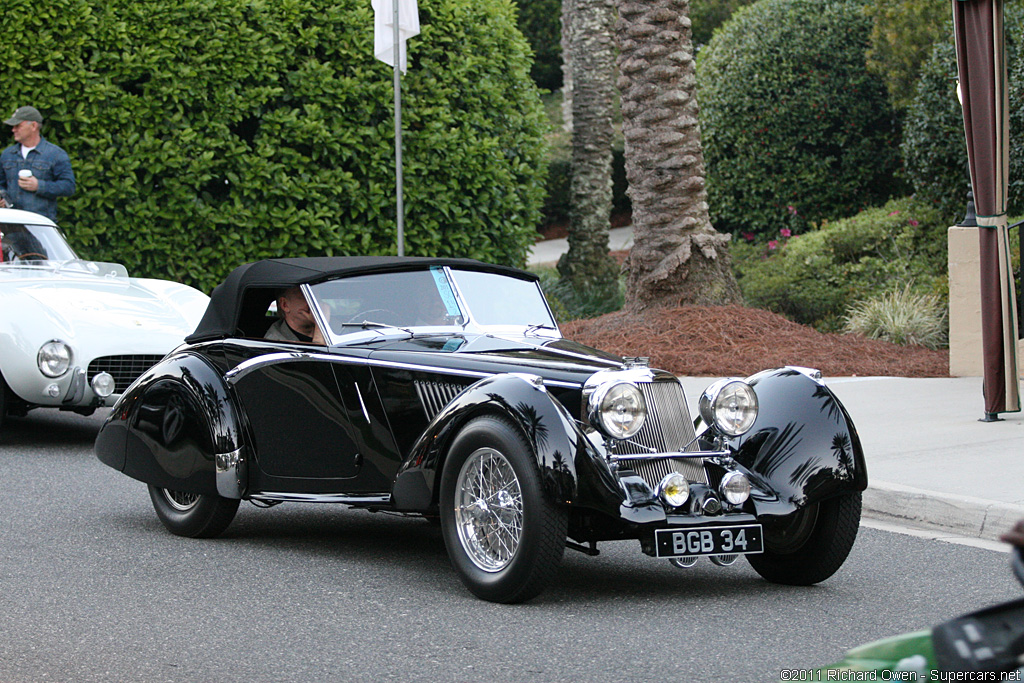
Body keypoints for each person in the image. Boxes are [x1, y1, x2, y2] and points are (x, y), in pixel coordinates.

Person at [0, 106, 75, 222]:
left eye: (18, 126)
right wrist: (3, 198)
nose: (13, 130)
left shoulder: (55, 154)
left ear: (33, 126)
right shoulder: (7, 154)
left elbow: (68, 187)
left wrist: (39, 186)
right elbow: (1, 184)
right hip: (12, 225)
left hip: (40, 225)